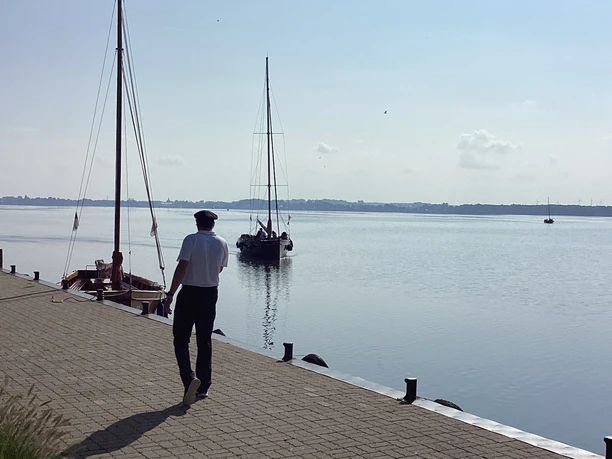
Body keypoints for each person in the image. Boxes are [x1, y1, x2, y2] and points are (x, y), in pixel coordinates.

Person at [164, 210, 229, 406]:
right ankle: (203, 387)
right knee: (204, 339)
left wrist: (170, 295)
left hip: (190, 292)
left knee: (181, 339)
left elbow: (182, 267)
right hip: (210, 293)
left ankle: (189, 378)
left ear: (197, 224)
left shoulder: (191, 240)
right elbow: (220, 268)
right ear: (213, 225)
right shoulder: (222, 243)